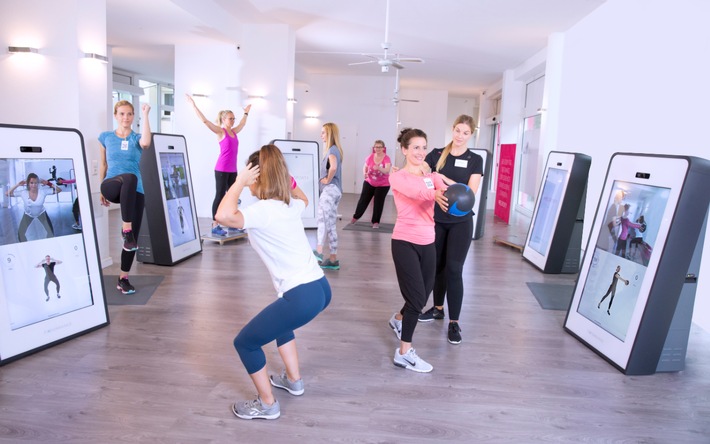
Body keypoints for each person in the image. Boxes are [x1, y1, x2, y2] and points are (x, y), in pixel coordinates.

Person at [215, 145, 331, 420]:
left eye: (250, 178)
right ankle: (294, 381)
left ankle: (267, 405)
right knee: (282, 322)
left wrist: (238, 182)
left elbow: (223, 216)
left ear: (256, 178)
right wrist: (284, 178)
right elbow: (302, 195)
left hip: (302, 295)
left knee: (245, 343)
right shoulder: (288, 205)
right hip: (320, 288)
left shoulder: (263, 210)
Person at [418, 115, 483, 345]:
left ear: (471, 134)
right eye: (457, 130)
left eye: (465, 133)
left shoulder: (475, 160)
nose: (460, 136)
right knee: (437, 266)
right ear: (452, 129)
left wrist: (443, 179)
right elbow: (423, 174)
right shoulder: (436, 154)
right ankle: (437, 309)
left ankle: (454, 322)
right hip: (436, 219)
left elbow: (470, 193)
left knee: (454, 269)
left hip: (461, 222)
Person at [388, 128, 447, 373]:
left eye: (424, 147)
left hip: (428, 240)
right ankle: (404, 353)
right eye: (415, 147)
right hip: (404, 242)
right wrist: (434, 191)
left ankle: (397, 319)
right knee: (415, 300)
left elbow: (444, 188)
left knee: (423, 295)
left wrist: (444, 186)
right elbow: (418, 193)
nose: (420, 152)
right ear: (404, 149)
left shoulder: (430, 175)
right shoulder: (397, 177)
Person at [99, 100, 152, 295]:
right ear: (115, 115)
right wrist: (100, 190)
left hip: (135, 191)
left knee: (132, 242)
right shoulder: (105, 137)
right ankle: (126, 227)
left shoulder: (136, 138)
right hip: (111, 185)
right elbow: (103, 165)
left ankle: (123, 278)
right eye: (122, 114)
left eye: (129, 114)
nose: (126, 118)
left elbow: (146, 142)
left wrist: (146, 115)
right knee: (128, 177)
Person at [186, 94, 251, 237]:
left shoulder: (234, 132)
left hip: (232, 170)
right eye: (230, 118)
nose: (233, 121)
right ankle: (215, 225)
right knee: (220, 195)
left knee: (234, 196)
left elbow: (243, 124)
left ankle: (232, 224)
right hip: (221, 169)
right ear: (223, 119)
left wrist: (246, 112)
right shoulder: (220, 131)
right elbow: (204, 121)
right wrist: (194, 105)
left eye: (234, 118)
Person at [314, 122, 344, 270]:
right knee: (331, 224)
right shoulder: (335, 150)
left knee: (322, 220)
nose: (321, 135)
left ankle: (318, 252)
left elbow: (333, 167)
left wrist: (327, 180)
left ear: (330, 134)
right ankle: (333, 259)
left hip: (330, 190)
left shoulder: (332, 150)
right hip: (336, 191)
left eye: (323, 133)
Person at [6, 173, 61, 241]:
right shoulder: (23, 193)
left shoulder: (43, 191)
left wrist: (48, 183)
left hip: (41, 213)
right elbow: (7, 194)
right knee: (21, 234)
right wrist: (18, 184)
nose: (34, 185)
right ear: (28, 183)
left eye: (36, 183)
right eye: (31, 183)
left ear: (38, 183)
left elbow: (59, 190)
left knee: (50, 232)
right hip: (28, 215)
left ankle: (47, 247)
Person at [350, 140, 391, 229]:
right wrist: (364, 173)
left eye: (380, 147)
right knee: (363, 200)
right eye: (376, 147)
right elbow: (365, 166)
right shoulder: (370, 157)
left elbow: (387, 170)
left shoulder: (386, 158)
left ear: (383, 148)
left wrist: (379, 168)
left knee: (378, 202)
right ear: (374, 148)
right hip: (370, 182)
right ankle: (355, 217)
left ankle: (375, 222)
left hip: (383, 184)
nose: (378, 149)